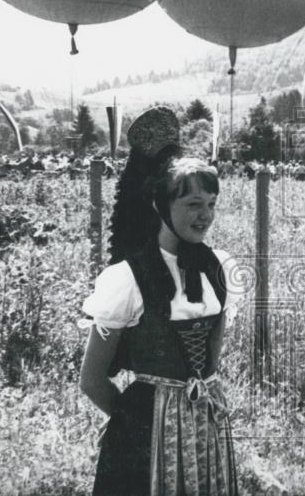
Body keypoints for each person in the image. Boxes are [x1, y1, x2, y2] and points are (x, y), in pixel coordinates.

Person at [79, 106, 239, 496]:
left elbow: (210, 365)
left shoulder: (219, 268)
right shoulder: (128, 278)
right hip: (145, 434)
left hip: (206, 426)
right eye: (192, 205)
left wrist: (201, 414)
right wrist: (132, 428)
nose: (205, 216)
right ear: (161, 207)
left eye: (210, 204)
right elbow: (92, 379)